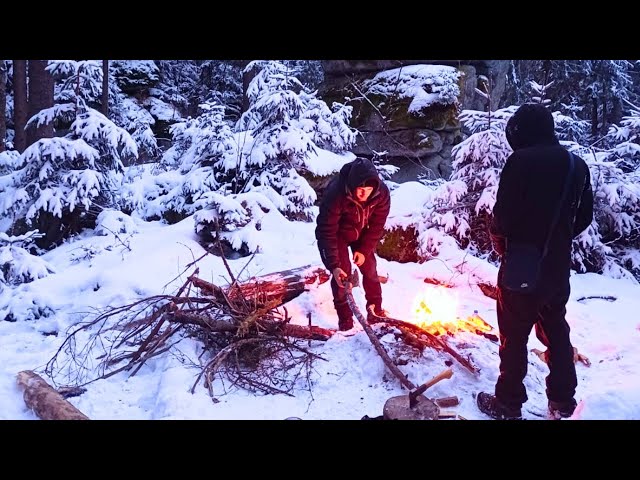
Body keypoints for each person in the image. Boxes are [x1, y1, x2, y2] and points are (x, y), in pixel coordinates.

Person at [477, 103, 594, 420]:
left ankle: (508, 404)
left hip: (521, 265)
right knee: (556, 329)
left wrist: (505, 245)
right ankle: (562, 402)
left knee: (513, 335)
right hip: (557, 268)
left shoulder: (520, 161)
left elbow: (503, 217)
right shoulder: (576, 164)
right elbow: (583, 217)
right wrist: (556, 239)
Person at [315, 157, 391, 331]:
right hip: (338, 235)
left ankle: (375, 309)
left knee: (370, 269)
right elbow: (326, 232)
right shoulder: (336, 194)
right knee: (343, 276)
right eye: (361, 189)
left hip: (362, 232)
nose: (364, 194)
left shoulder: (381, 195)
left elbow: (378, 225)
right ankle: (345, 319)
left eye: (369, 189)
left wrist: (364, 250)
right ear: (353, 185)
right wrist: (333, 265)